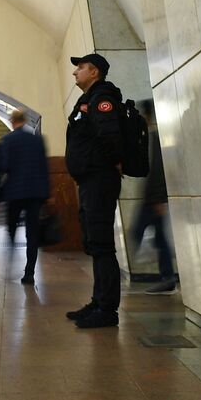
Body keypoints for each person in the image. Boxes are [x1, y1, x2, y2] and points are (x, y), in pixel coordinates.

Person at [65, 52, 125, 329]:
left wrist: (99, 164)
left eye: (80, 68)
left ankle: (107, 310)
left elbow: (110, 138)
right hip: (90, 180)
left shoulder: (102, 99)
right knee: (94, 244)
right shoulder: (87, 99)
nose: (75, 72)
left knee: (102, 246)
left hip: (99, 180)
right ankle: (98, 301)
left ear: (95, 72)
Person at [0, 108, 51, 284]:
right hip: (36, 192)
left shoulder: (7, 140)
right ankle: (29, 272)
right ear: (26, 121)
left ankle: (11, 261)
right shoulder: (37, 140)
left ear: (13, 121)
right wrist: (47, 193)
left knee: (11, 228)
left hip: (14, 192)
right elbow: (44, 167)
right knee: (32, 233)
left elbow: (4, 166)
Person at [128, 103, 177, 294]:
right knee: (159, 237)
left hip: (153, 200)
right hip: (152, 199)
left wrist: (158, 199)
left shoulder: (155, 138)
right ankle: (168, 277)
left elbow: (158, 171)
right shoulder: (151, 137)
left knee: (140, 232)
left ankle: (167, 276)